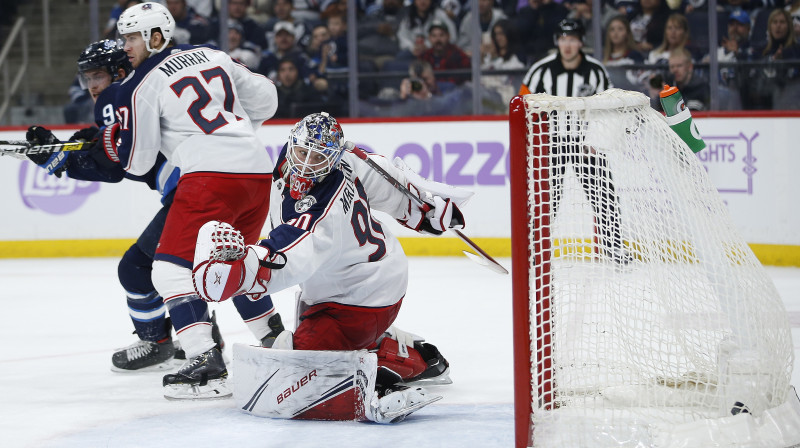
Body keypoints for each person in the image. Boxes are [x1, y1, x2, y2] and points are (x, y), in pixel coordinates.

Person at [192, 112, 462, 421]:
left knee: (303, 372)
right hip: (362, 275)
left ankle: (380, 383)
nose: (306, 164)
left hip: (359, 299)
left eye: (317, 157)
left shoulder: (323, 213)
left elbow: (293, 253)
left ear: (332, 159)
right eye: (302, 151)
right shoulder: (345, 159)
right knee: (314, 335)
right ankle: (418, 356)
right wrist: (422, 209)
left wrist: (243, 272)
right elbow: (383, 176)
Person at [113, 2, 282, 399]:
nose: (127, 46)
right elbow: (268, 98)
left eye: (133, 37)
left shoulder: (141, 84)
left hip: (210, 178)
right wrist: (236, 132)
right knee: (234, 264)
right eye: (124, 37)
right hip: (256, 170)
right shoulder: (212, 54)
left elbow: (137, 162)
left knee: (169, 271)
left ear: (157, 36)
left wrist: (120, 141)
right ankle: (277, 341)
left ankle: (205, 360)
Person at [26, 39, 209, 372]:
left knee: (137, 269)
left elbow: (113, 164)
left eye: (98, 76)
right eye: (87, 78)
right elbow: (104, 141)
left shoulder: (126, 98)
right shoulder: (144, 91)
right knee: (184, 271)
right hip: (212, 185)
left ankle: (160, 343)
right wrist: (62, 149)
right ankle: (211, 339)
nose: (93, 86)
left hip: (194, 193)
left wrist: (62, 161)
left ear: (119, 72)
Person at [518, 19, 629, 263]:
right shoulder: (541, 70)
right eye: (563, 39)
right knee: (547, 198)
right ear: (557, 41)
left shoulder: (595, 70)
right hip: (551, 143)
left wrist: (596, 139)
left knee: (604, 194)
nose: (567, 45)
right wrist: (537, 141)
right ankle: (536, 249)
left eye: (572, 40)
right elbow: (522, 106)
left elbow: (608, 107)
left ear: (580, 42)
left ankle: (614, 247)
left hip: (585, 144)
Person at [420, 19, 471, 86]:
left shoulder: (458, 54)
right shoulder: (424, 57)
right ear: (429, 38)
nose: (438, 39)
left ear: (448, 36)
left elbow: (468, 77)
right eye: (434, 36)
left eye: (441, 35)